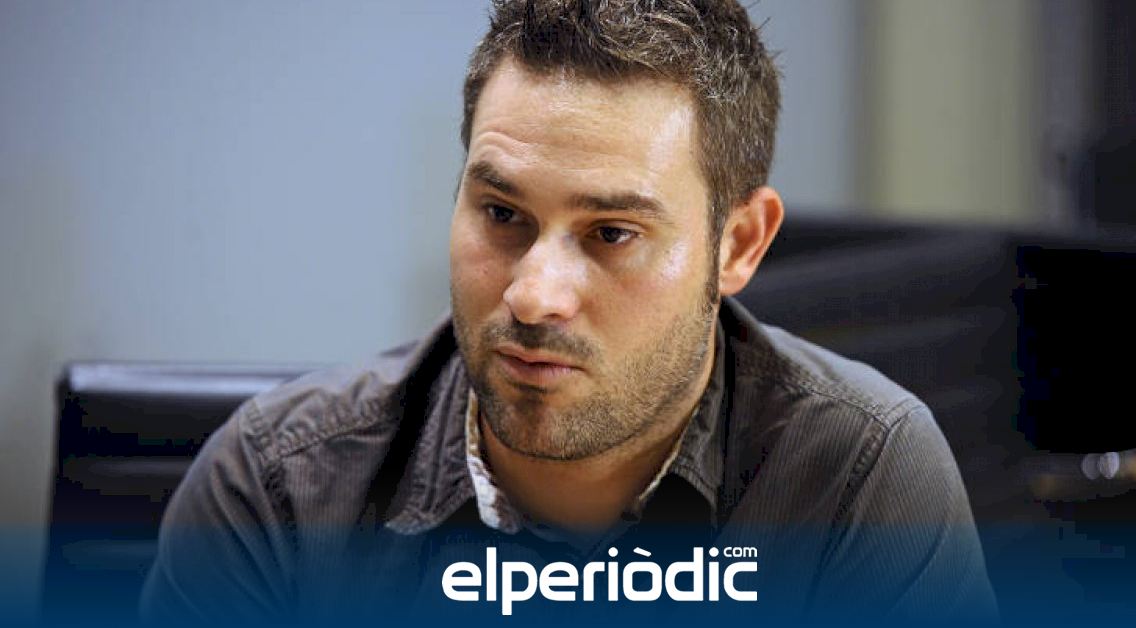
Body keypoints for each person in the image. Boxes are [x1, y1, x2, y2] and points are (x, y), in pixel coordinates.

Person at [140, 0, 996, 624]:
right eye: (501, 214)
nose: (533, 294)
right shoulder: (279, 492)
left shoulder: (858, 477)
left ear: (737, 244)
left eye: (612, 233)